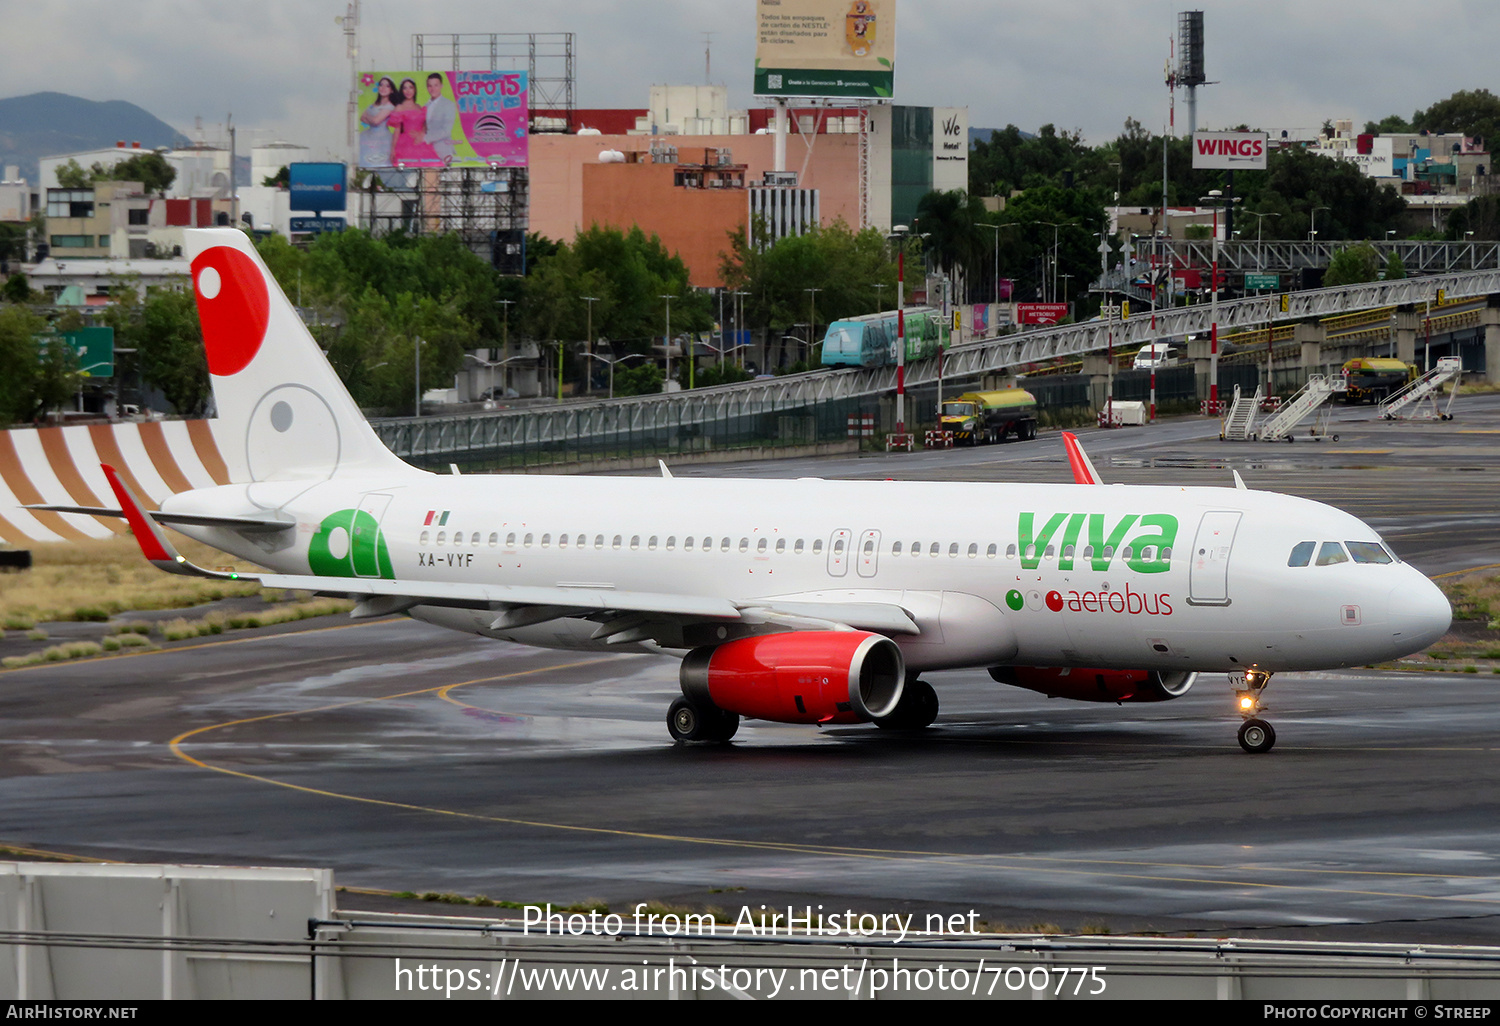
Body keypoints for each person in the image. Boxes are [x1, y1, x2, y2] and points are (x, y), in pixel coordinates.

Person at [388, 77, 437, 165]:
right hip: (406, 144)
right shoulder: (400, 107)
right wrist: (393, 150)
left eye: (410, 87)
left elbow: (425, 124)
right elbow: (397, 130)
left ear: (414, 89)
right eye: (405, 88)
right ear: (402, 91)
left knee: (429, 165)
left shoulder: (419, 107)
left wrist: (422, 133)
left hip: (421, 142)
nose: (408, 90)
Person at [358, 76, 397, 168]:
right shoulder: (374, 104)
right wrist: (372, 119)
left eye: (387, 86)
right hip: (368, 137)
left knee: (382, 162)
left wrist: (369, 117)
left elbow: (376, 121)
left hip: (383, 139)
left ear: (391, 90)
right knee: (366, 160)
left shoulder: (390, 106)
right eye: (381, 85)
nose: (383, 88)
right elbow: (362, 117)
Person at [423, 73, 458, 165]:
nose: (432, 89)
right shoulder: (425, 106)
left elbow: (446, 130)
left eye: (436, 85)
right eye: (430, 86)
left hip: (443, 150)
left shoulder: (448, 104)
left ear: (441, 86)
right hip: (426, 151)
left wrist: (425, 139)